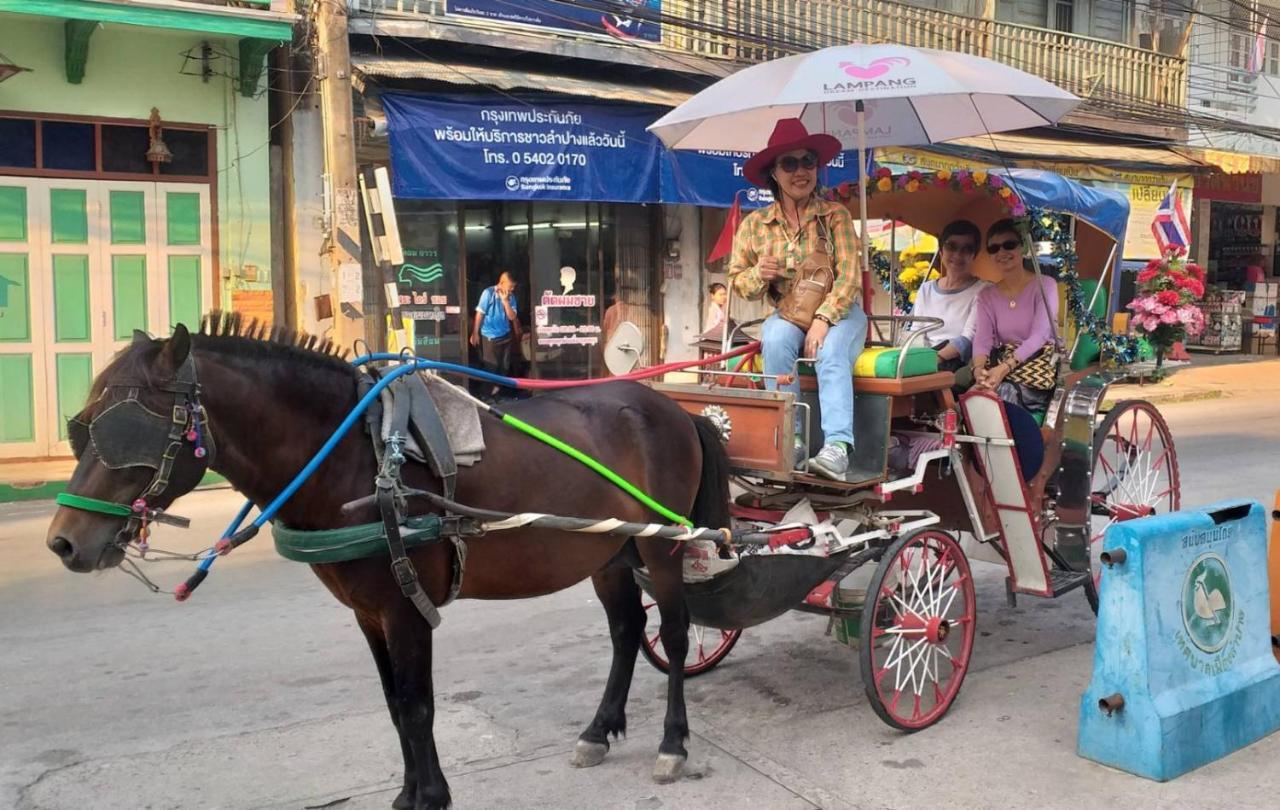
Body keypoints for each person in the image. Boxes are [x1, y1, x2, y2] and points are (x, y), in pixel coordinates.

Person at [729, 118, 868, 480]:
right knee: (772, 338)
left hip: (841, 313)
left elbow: (850, 276)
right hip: (787, 314)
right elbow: (738, 282)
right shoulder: (754, 225)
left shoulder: (835, 215)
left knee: (830, 350)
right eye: (789, 164)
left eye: (807, 161)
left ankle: (838, 446)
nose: (800, 171)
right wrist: (760, 273)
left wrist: (823, 319)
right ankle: (791, 439)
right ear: (774, 173)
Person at [970, 219, 1060, 415]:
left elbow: (1040, 335)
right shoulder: (986, 295)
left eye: (1009, 245)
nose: (1002, 253)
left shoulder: (1046, 285)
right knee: (967, 399)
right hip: (1000, 368)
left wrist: (1005, 367)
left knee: (999, 396)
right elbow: (983, 338)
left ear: (1023, 248)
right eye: (994, 248)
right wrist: (978, 370)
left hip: (1034, 370)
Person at [902, 220, 989, 373]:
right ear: (941, 250)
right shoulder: (926, 289)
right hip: (924, 358)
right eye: (951, 246)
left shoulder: (984, 290)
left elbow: (968, 338)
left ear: (974, 254)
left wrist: (934, 361)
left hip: (955, 363)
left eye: (967, 249)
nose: (958, 255)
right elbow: (917, 331)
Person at [471, 272, 522, 391]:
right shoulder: (488, 293)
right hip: (490, 336)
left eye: (513, 287)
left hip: (506, 335)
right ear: (502, 283)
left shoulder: (511, 297)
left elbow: (512, 317)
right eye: (510, 287)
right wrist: (475, 333)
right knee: (491, 367)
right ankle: (486, 394)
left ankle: (497, 393)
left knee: (504, 367)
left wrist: (505, 302)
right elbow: (480, 313)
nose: (512, 289)